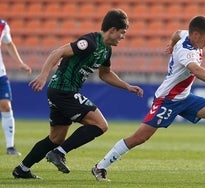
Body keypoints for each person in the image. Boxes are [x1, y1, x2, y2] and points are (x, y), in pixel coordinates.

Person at [91, 15, 205, 184]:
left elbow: (176, 33)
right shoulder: (186, 51)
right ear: (196, 34)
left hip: (184, 97)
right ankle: (100, 167)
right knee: (139, 137)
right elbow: (197, 70)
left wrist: (171, 44)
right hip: (167, 99)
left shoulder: (185, 35)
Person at [12, 9, 143, 179]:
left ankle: (22, 169)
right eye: (122, 32)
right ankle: (59, 153)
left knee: (56, 137)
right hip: (63, 90)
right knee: (100, 125)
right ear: (112, 30)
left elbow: (105, 74)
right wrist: (43, 75)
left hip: (61, 92)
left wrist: (127, 86)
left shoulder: (106, 50)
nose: (123, 36)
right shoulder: (89, 42)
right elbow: (57, 52)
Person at [0, 19, 32, 155]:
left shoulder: (2, 25)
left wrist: (20, 63)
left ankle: (10, 146)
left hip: (0, 74)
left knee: (6, 106)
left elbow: (9, 43)